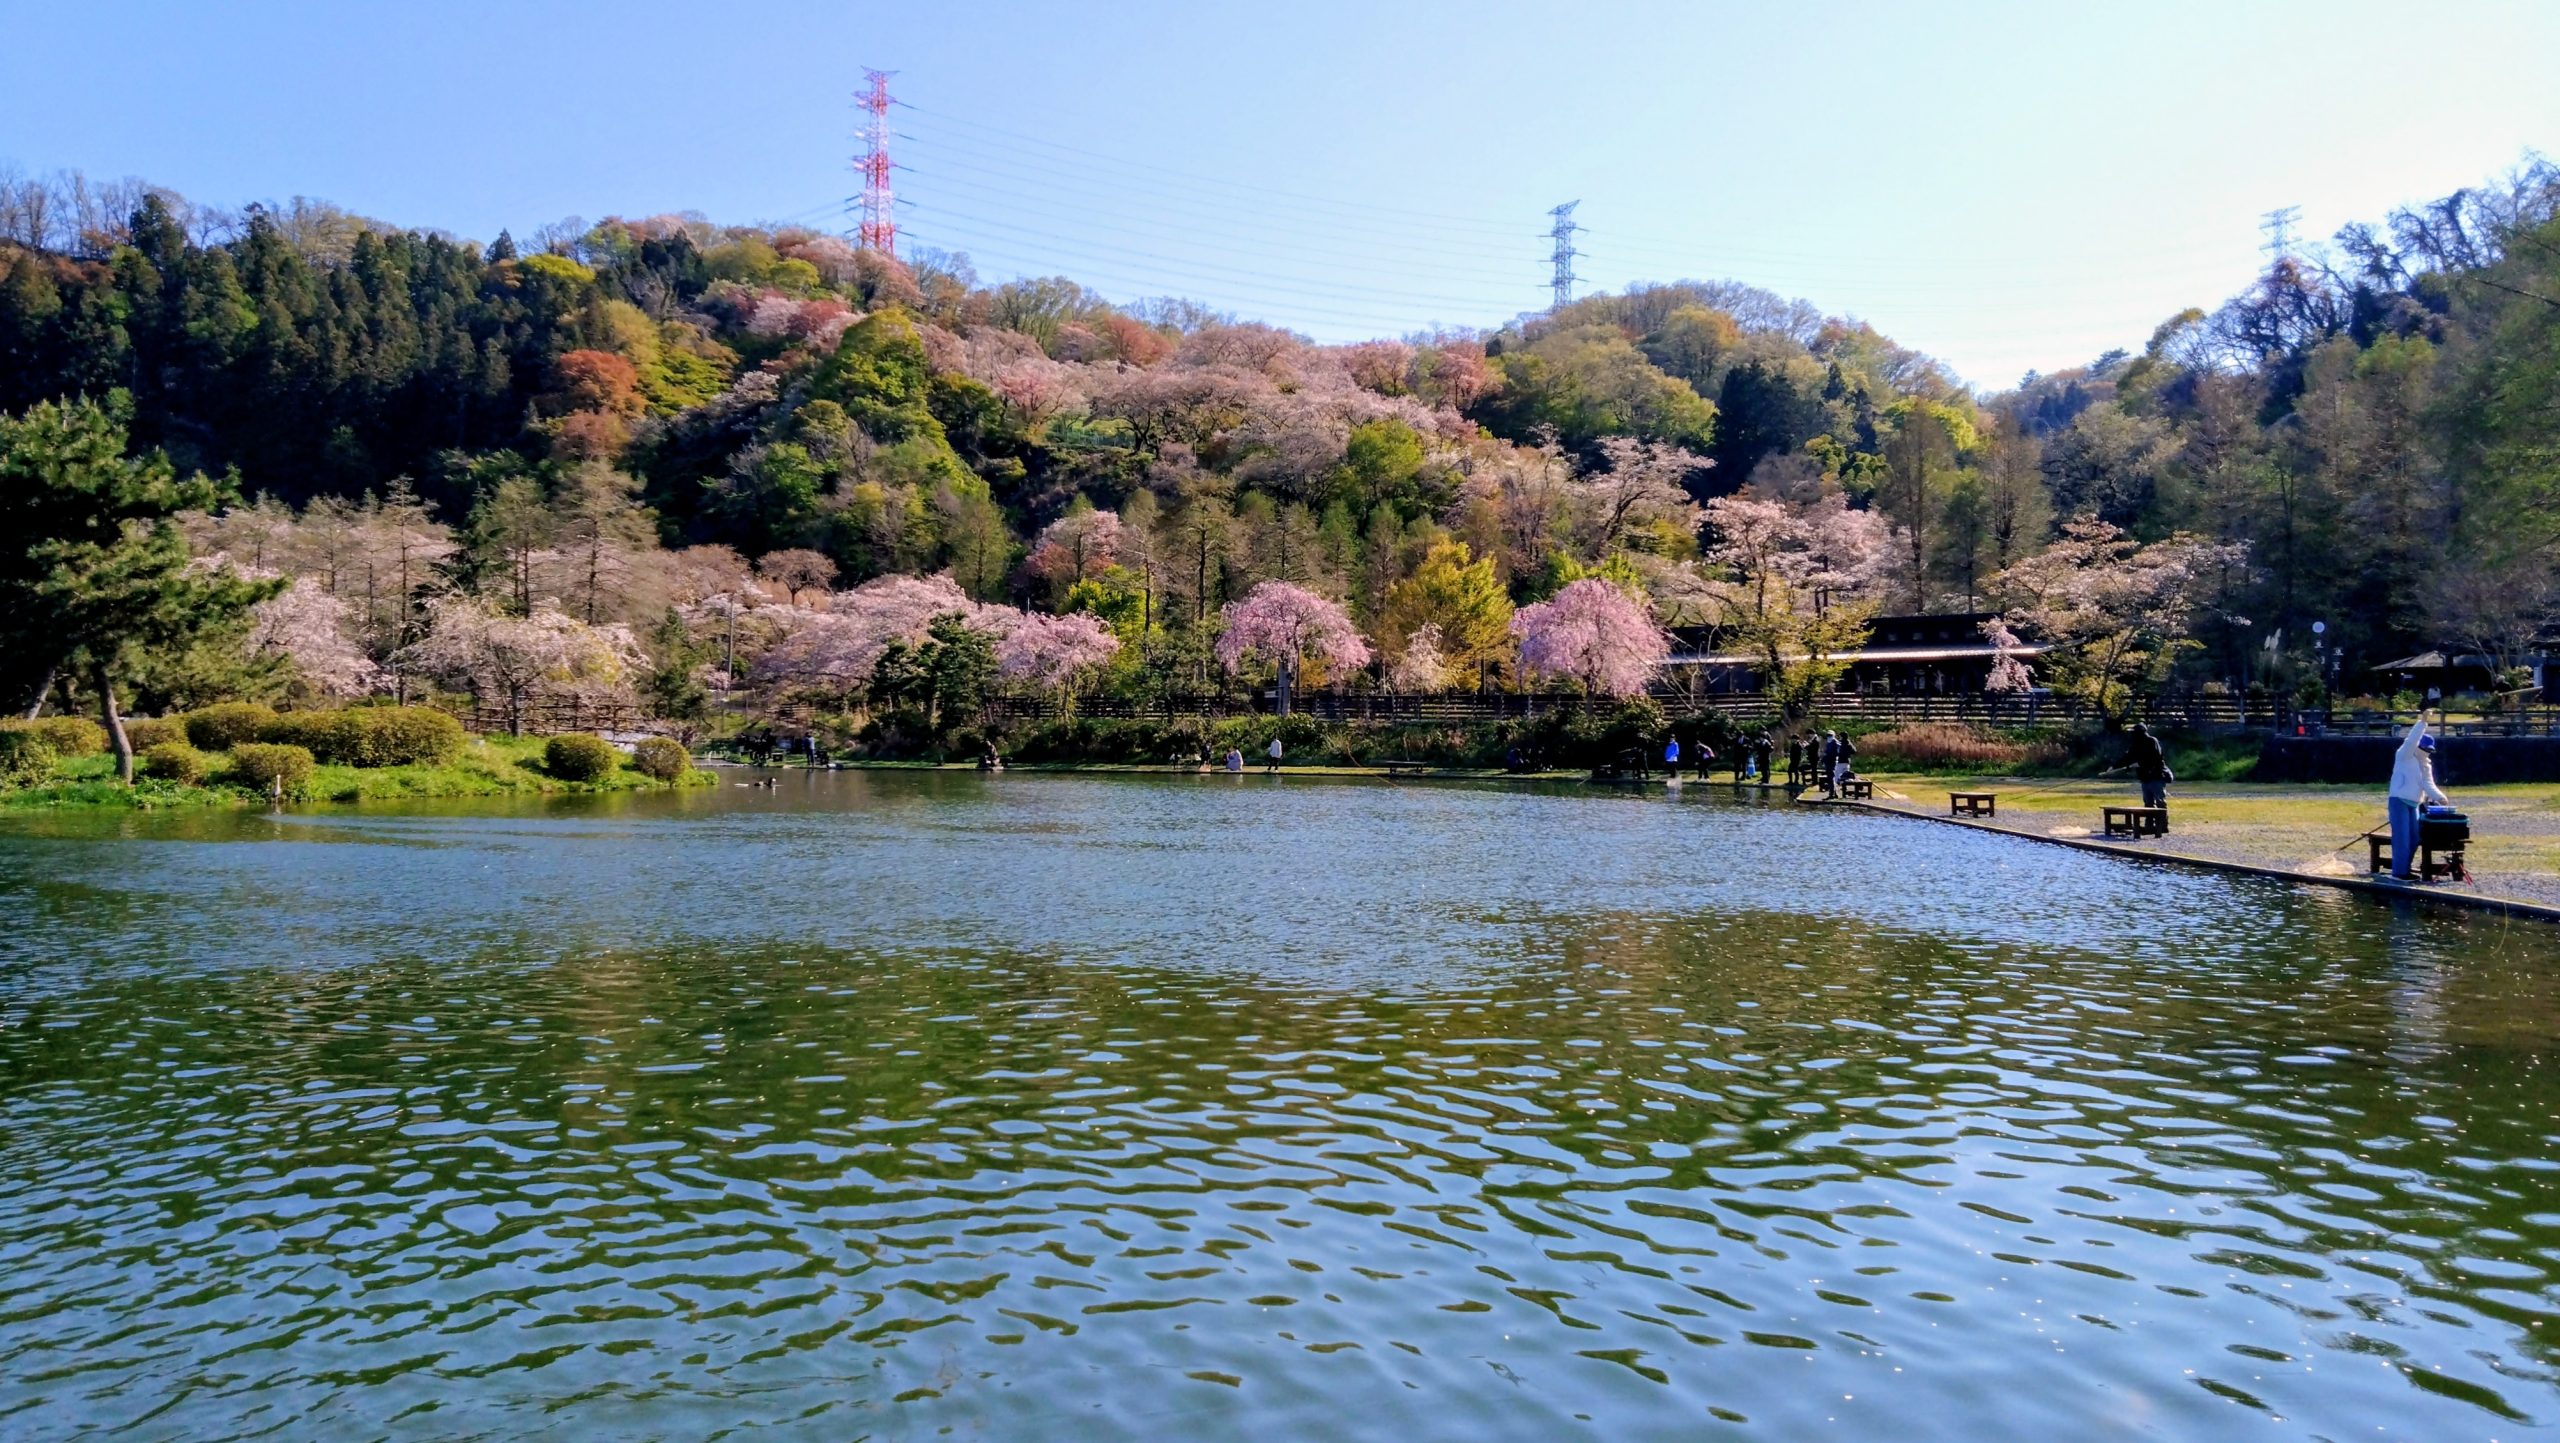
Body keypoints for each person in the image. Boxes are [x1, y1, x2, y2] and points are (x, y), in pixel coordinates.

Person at [2388, 715, 2450, 880]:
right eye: (2425, 749)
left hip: (2414, 803)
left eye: (2429, 750)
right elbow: (2410, 741)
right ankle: (2398, 873)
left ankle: (2405, 869)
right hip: (2399, 801)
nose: (2427, 753)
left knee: (2414, 837)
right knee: (2402, 838)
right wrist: (2422, 723)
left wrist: (2440, 797)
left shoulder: (2425, 765)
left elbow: (2428, 784)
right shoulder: (2404, 755)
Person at [2124, 723, 2170, 809]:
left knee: (2160, 802)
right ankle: (2149, 822)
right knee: (2148, 804)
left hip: (2156, 776)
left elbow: (2156, 758)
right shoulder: (2136, 744)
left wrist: (2140, 764)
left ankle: (2162, 822)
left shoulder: (2152, 741)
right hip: (2145, 778)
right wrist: (2113, 766)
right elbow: (2128, 756)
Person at [1832, 730, 1857, 795]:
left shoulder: (1840, 743)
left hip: (1840, 761)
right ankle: (1844, 788)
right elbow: (1854, 751)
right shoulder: (1849, 743)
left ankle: (1835, 791)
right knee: (1845, 776)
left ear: (1842, 737)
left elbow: (1838, 752)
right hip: (1847, 761)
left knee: (1837, 775)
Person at [1819, 731, 1841, 798]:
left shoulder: (1835, 743)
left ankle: (1832, 794)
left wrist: (1825, 757)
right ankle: (1834, 793)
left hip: (1832, 762)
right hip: (1828, 762)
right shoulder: (1829, 743)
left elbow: (1832, 754)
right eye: (1828, 735)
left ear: (1833, 735)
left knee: (1831, 778)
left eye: (1830, 735)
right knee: (1830, 778)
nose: (1829, 737)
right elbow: (1826, 752)